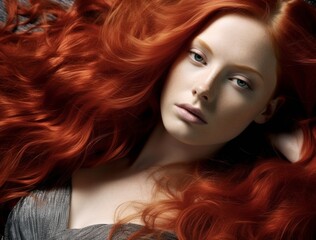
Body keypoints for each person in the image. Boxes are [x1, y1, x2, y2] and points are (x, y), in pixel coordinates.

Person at [0, 0, 315, 239]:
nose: (204, 89)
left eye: (240, 82)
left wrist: (304, 155)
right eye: (198, 57)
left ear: (267, 109)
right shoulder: (84, 130)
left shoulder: (223, 221)